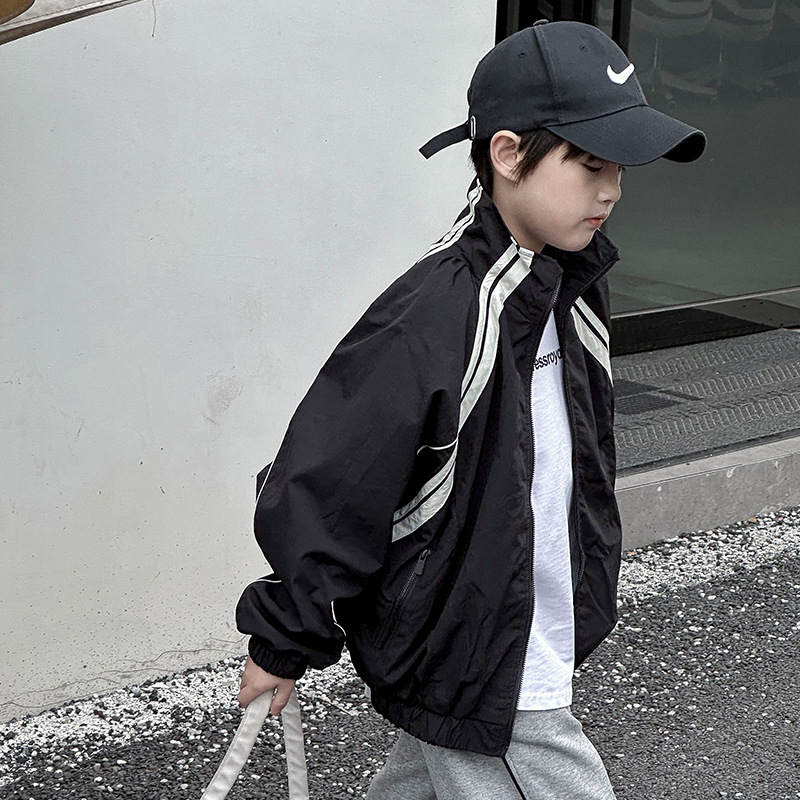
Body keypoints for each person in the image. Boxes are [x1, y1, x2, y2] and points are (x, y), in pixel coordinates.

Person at [235, 20, 705, 799]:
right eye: (590, 165)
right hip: (476, 639)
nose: (612, 190)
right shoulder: (434, 314)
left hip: (514, 622)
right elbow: (336, 475)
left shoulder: (572, 283)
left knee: (432, 770)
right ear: (508, 155)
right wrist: (286, 633)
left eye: (620, 168)